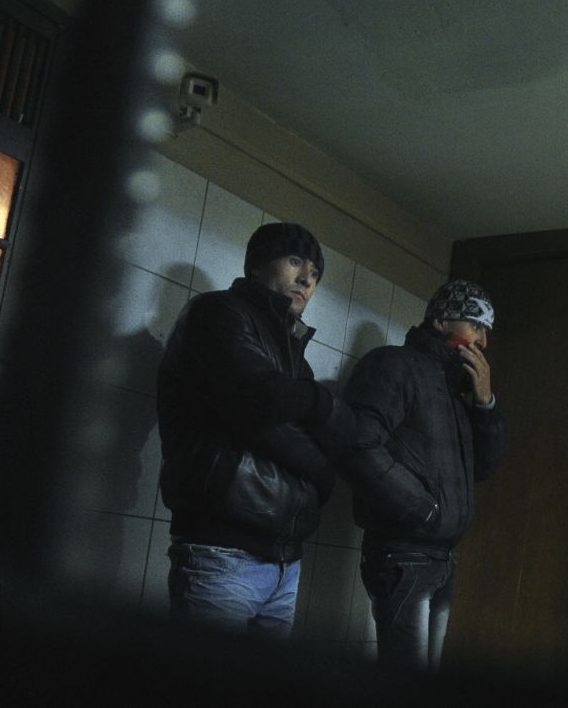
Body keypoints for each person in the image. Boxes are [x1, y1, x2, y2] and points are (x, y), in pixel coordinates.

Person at [155, 221, 353, 637]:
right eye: (296, 260)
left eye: (315, 273)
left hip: (283, 561)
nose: (307, 279)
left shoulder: (292, 351)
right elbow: (259, 402)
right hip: (221, 552)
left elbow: (307, 427)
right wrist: (321, 410)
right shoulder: (217, 312)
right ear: (259, 264)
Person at [339, 279, 507, 673]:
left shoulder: (455, 393)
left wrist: (486, 404)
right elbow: (356, 446)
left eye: (485, 331)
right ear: (441, 320)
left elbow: (485, 466)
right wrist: (424, 511)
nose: (482, 341)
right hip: (404, 555)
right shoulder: (393, 365)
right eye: (476, 326)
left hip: (441, 558)